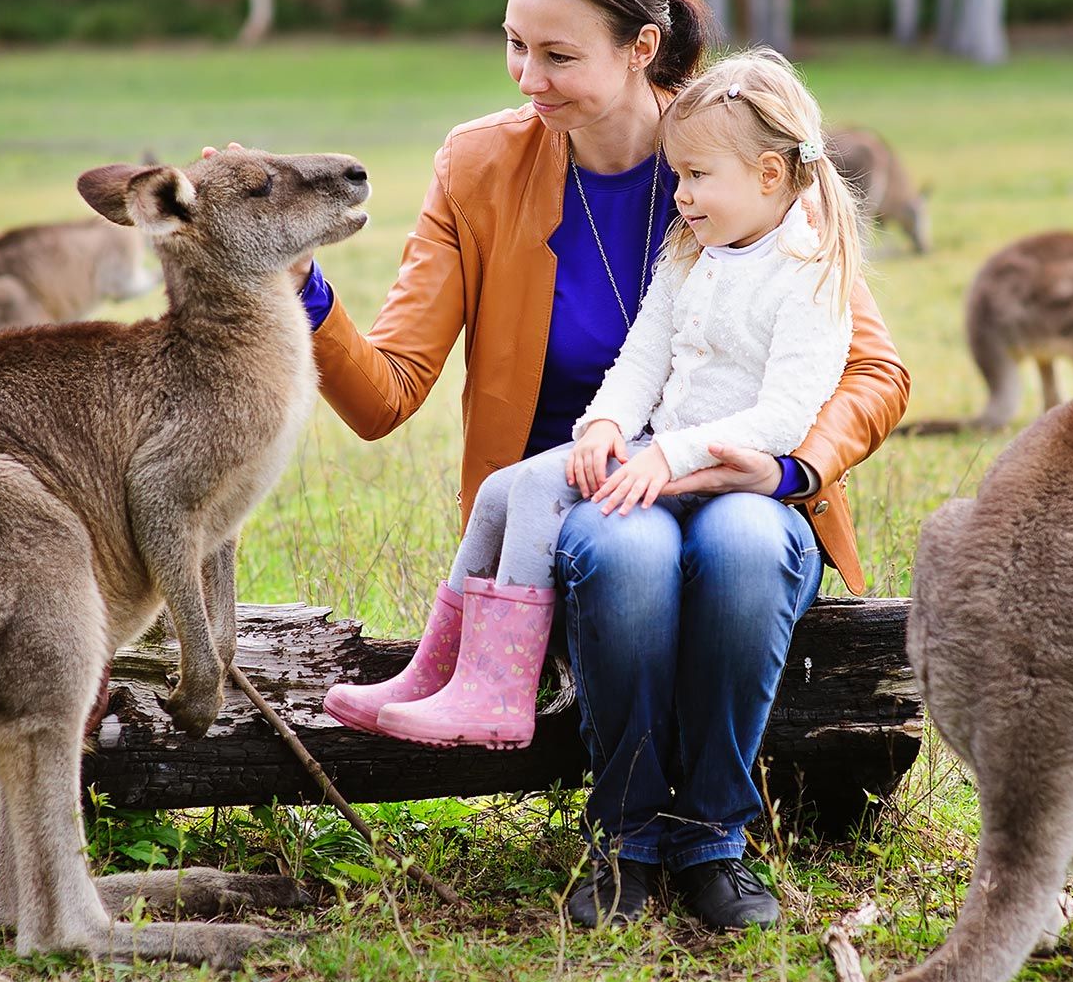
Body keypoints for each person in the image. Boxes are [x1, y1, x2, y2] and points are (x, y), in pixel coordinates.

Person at [290, 0, 910, 930]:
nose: (524, 79)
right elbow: (384, 389)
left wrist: (788, 473)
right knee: (622, 558)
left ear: (640, 48)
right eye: (512, 44)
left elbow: (872, 370)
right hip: (579, 498)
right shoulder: (477, 168)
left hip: (740, 477)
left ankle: (713, 840)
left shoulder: (740, 151)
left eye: (556, 54)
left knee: (748, 545)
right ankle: (623, 838)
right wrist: (303, 291)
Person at [334, 44, 859, 769]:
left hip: (710, 466)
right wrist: (606, 422)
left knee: (549, 492)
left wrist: (713, 460)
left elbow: (809, 402)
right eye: (515, 43)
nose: (682, 195)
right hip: (651, 446)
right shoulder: (695, 246)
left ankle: (499, 689)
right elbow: (641, 358)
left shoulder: (800, 257)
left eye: (699, 178)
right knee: (496, 492)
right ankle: (439, 671)